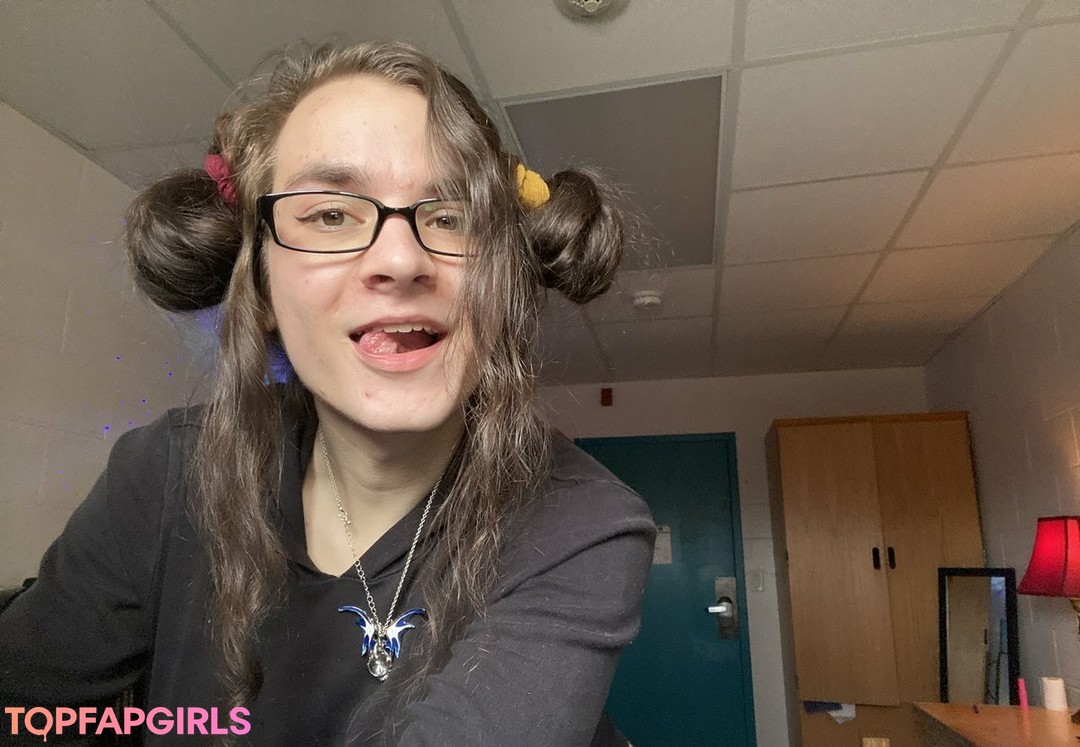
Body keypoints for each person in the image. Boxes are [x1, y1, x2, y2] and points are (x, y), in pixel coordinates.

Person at [0, 40, 654, 745]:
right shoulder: (161, 474)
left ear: (501, 283)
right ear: (261, 286)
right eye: (330, 215)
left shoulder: (582, 520)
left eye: (452, 215)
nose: (401, 259)